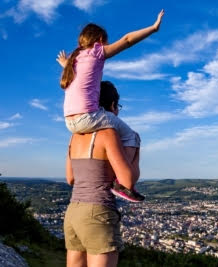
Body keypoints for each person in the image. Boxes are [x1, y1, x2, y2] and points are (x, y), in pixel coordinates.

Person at [56, 10, 164, 201]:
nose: (107, 46)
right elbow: (128, 39)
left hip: (69, 121)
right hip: (88, 116)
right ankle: (122, 182)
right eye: (106, 42)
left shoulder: (74, 61)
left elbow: (77, 77)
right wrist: (153, 28)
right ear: (99, 40)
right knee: (132, 135)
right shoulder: (96, 52)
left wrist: (65, 63)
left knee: (113, 130)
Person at [64, 82, 138, 267]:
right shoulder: (108, 134)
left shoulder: (75, 136)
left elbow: (70, 178)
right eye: (117, 107)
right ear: (112, 105)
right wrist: (136, 148)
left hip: (73, 211)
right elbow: (127, 181)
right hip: (98, 211)